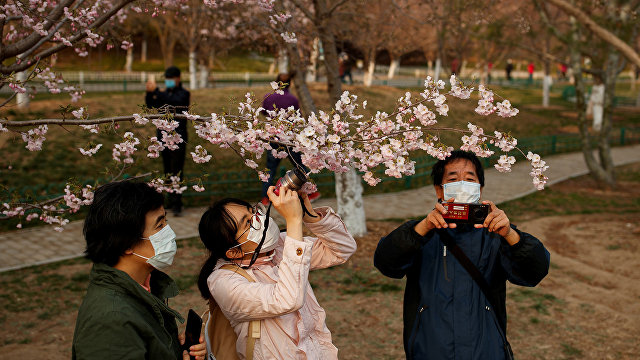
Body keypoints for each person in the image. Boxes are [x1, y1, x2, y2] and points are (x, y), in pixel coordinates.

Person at [374, 150, 550, 360]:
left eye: (469, 179)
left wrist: (511, 235)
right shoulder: (422, 233)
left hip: (486, 351)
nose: (462, 184)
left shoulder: (495, 235)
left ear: (480, 189)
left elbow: (535, 272)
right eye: (453, 178)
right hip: (431, 350)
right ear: (440, 190)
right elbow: (385, 263)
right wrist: (422, 229)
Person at [197, 186, 357, 359]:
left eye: (253, 211)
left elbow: (342, 250)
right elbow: (287, 299)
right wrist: (293, 221)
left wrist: (307, 214)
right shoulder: (223, 282)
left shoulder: (279, 247)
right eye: (248, 222)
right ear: (234, 252)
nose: (258, 218)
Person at [72, 181, 207, 360]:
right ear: (126, 242)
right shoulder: (111, 322)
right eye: (159, 226)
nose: (170, 233)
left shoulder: (143, 286)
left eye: (166, 221)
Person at [261, 73, 320, 205]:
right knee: (299, 166)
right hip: (289, 138)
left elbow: (264, 112)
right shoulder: (292, 100)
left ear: (276, 82)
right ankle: (310, 192)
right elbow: (295, 117)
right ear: (290, 83)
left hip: (273, 137)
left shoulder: (269, 97)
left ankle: (265, 198)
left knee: (270, 169)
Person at [146, 66, 191, 216]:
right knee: (166, 171)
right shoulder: (163, 94)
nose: (168, 81)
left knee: (177, 171)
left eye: (171, 78)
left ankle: (177, 203)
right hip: (163, 138)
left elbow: (174, 102)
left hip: (178, 138)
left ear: (178, 78)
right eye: (167, 79)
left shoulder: (184, 94)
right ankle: (168, 201)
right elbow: (151, 105)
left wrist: (157, 91)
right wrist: (149, 92)